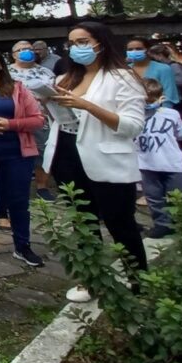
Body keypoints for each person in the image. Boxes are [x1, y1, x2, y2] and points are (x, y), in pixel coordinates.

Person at [46, 22, 147, 303]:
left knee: (119, 223)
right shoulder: (65, 79)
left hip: (106, 157)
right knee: (82, 222)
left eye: (83, 41)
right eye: (72, 42)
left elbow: (132, 126)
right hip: (66, 153)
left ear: (100, 43)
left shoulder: (122, 78)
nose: (77, 47)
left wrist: (88, 105)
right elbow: (59, 118)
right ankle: (91, 279)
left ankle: (139, 283)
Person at [0, 47, 45, 267]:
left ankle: (22, 247)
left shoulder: (18, 89)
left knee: (18, 203)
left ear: (0, 64)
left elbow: (38, 120)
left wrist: (11, 124)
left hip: (17, 154)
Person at [136, 79, 182, 238]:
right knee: (154, 198)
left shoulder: (171, 114)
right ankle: (162, 225)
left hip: (172, 163)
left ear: (161, 97)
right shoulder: (134, 117)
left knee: (179, 197)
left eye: (152, 98)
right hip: (146, 164)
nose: (149, 102)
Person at [8, 40, 58, 201]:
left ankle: (42, 186)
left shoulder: (46, 72)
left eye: (29, 49)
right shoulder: (6, 73)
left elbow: (56, 92)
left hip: (42, 117)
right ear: (14, 54)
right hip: (14, 119)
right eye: (21, 49)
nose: (26, 52)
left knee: (42, 153)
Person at [126, 37, 179, 108]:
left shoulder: (163, 69)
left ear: (147, 50)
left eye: (138, 49)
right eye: (130, 49)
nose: (134, 51)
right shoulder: (125, 70)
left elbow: (169, 96)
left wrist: (163, 112)